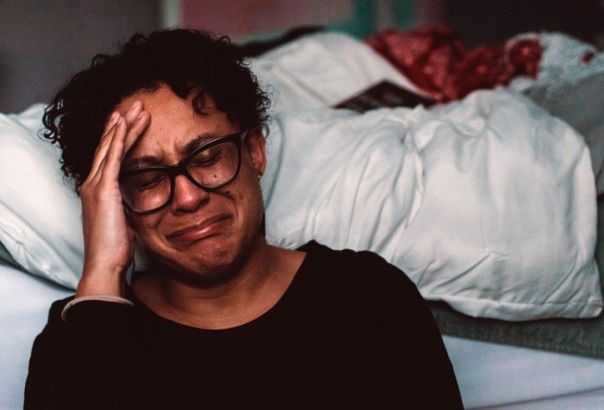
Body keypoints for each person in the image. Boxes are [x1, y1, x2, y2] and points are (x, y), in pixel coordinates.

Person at [24, 29, 463, 409]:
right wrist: (102, 273)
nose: (189, 196)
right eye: (147, 178)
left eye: (208, 155)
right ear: (116, 200)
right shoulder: (79, 336)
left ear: (254, 150)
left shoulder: (367, 299)